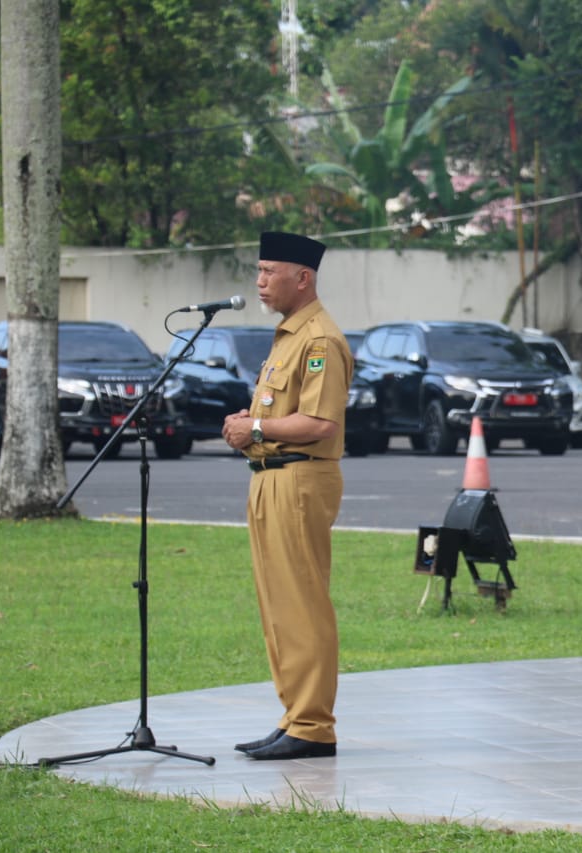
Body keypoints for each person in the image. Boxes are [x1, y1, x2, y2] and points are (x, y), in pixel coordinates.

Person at [223, 231, 352, 759]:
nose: (259, 281)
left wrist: (253, 428)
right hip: (271, 476)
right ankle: (295, 715)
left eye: (269, 271)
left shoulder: (319, 339)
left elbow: (320, 422)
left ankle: (313, 726)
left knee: (302, 603)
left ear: (303, 278)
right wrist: (253, 427)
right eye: (257, 271)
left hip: (300, 477)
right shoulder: (288, 336)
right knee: (278, 604)